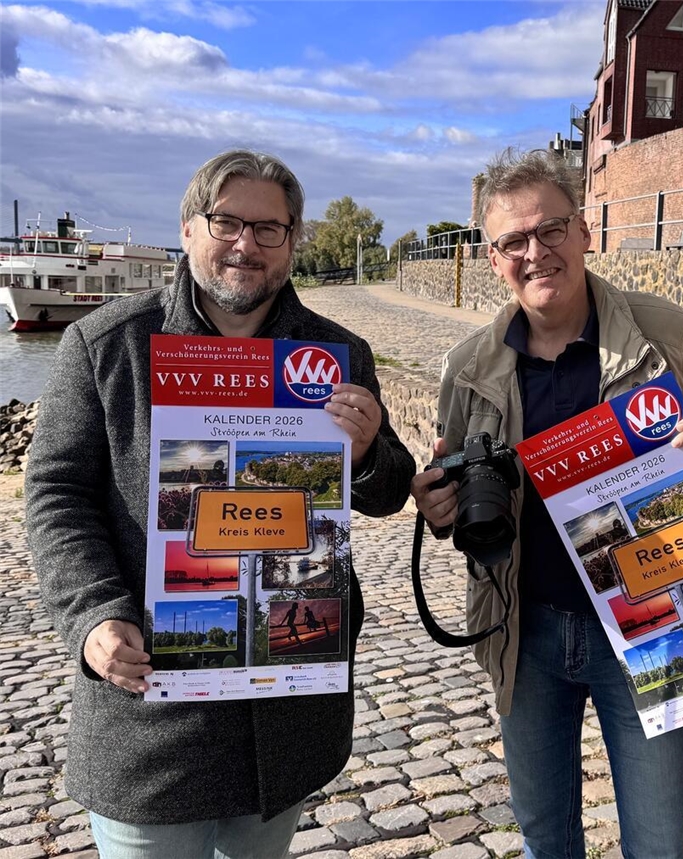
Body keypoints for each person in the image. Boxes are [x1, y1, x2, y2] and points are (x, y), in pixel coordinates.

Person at [25, 149, 416, 858]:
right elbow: (56, 491)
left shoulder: (337, 352)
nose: (246, 244)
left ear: (295, 241)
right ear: (187, 229)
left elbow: (391, 489)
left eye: (270, 229)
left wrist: (363, 453)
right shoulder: (107, 344)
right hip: (151, 719)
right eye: (227, 221)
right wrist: (92, 616)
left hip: (285, 712)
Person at [411, 148, 683, 858]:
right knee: (546, 836)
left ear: (584, 232)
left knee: (661, 840)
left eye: (550, 231)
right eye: (514, 241)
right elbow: (449, 478)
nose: (535, 253)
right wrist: (440, 504)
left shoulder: (660, 331)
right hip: (526, 631)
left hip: (652, 625)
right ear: (492, 257)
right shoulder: (469, 366)